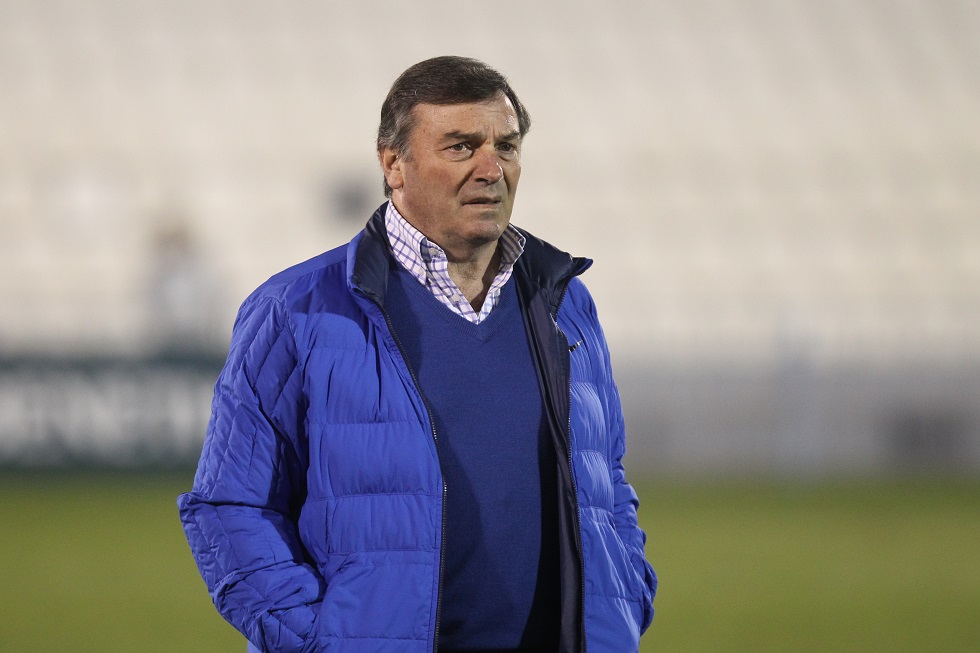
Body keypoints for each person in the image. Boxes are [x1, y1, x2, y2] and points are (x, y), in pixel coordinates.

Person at [178, 55, 656, 653]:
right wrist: (321, 642)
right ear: (393, 164)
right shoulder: (295, 311)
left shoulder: (566, 301)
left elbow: (606, 483)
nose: (491, 169)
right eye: (461, 147)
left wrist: (625, 597)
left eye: (506, 147)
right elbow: (230, 506)